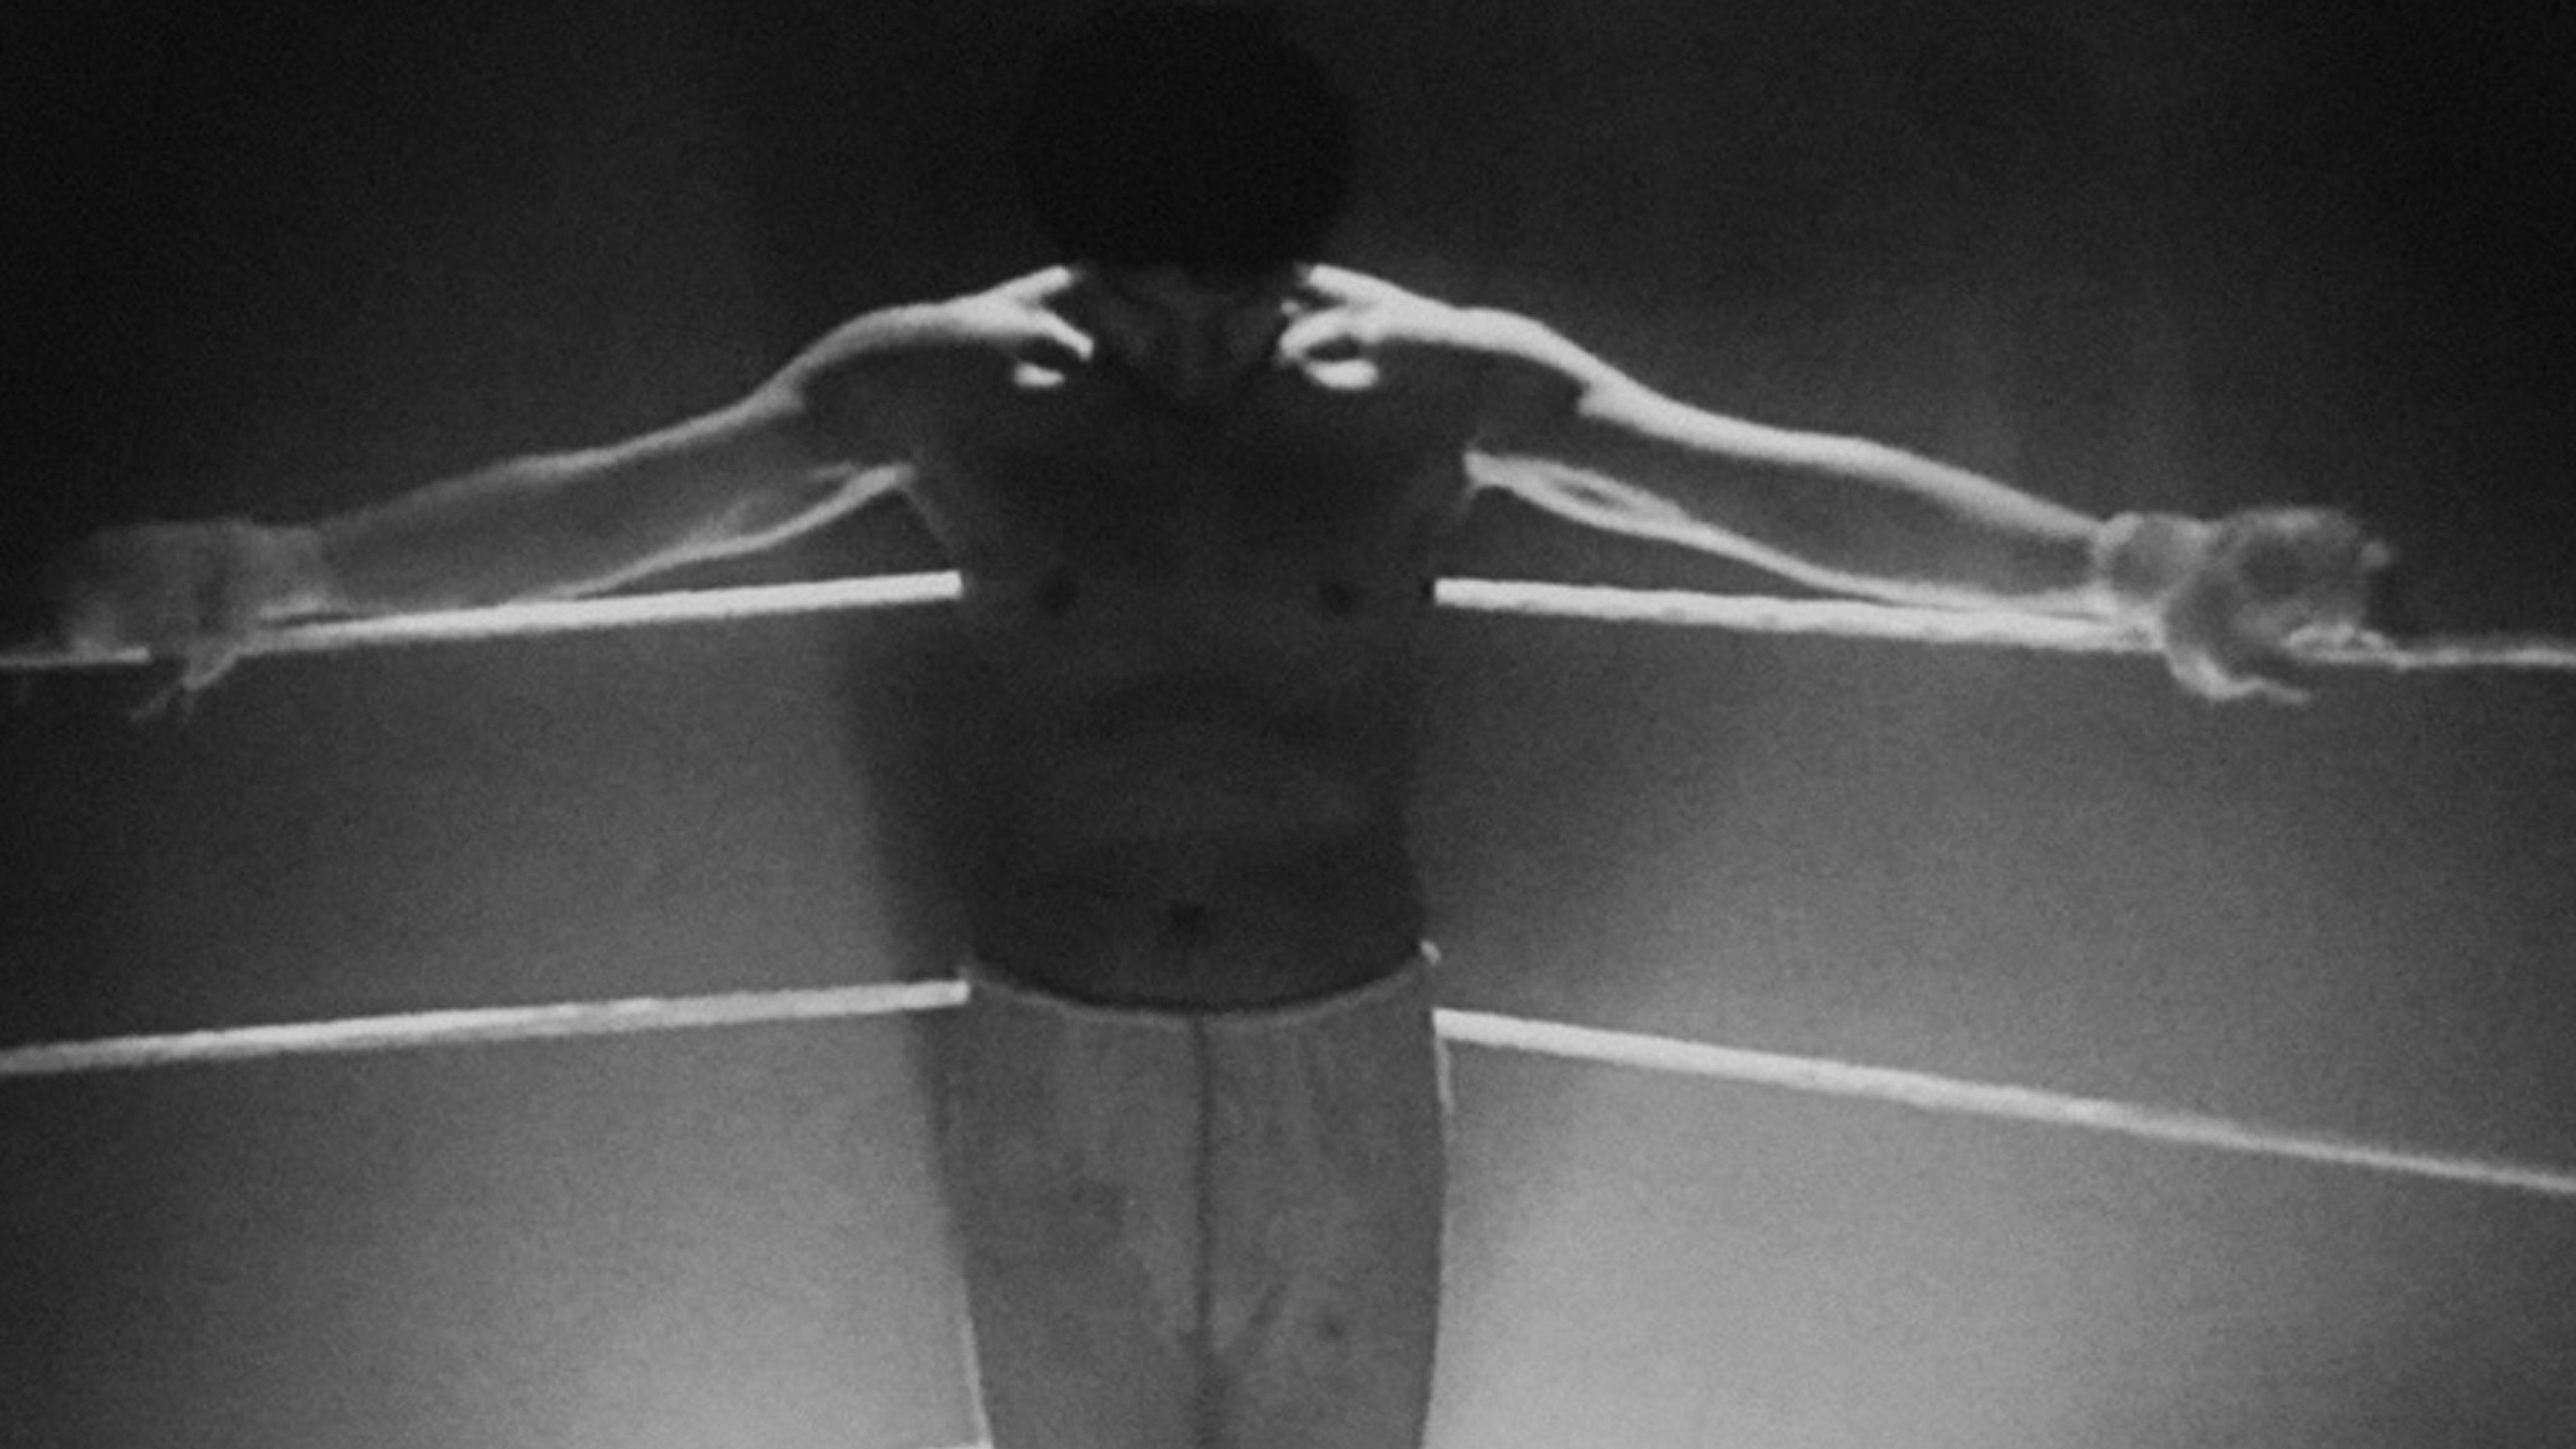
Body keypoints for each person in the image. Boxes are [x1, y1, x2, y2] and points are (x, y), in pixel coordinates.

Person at [35, 8, 2387, 1448]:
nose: (1185, 351)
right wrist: (291, 567)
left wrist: (2127, 562)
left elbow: (1760, 486)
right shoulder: (947, 382)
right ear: (1073, 259)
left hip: (1334, 1042)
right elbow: (628, 504)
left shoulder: (1434, 381)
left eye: (1229, 302)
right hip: (1055, 1046)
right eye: (1139, 303)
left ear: (1300, 260)